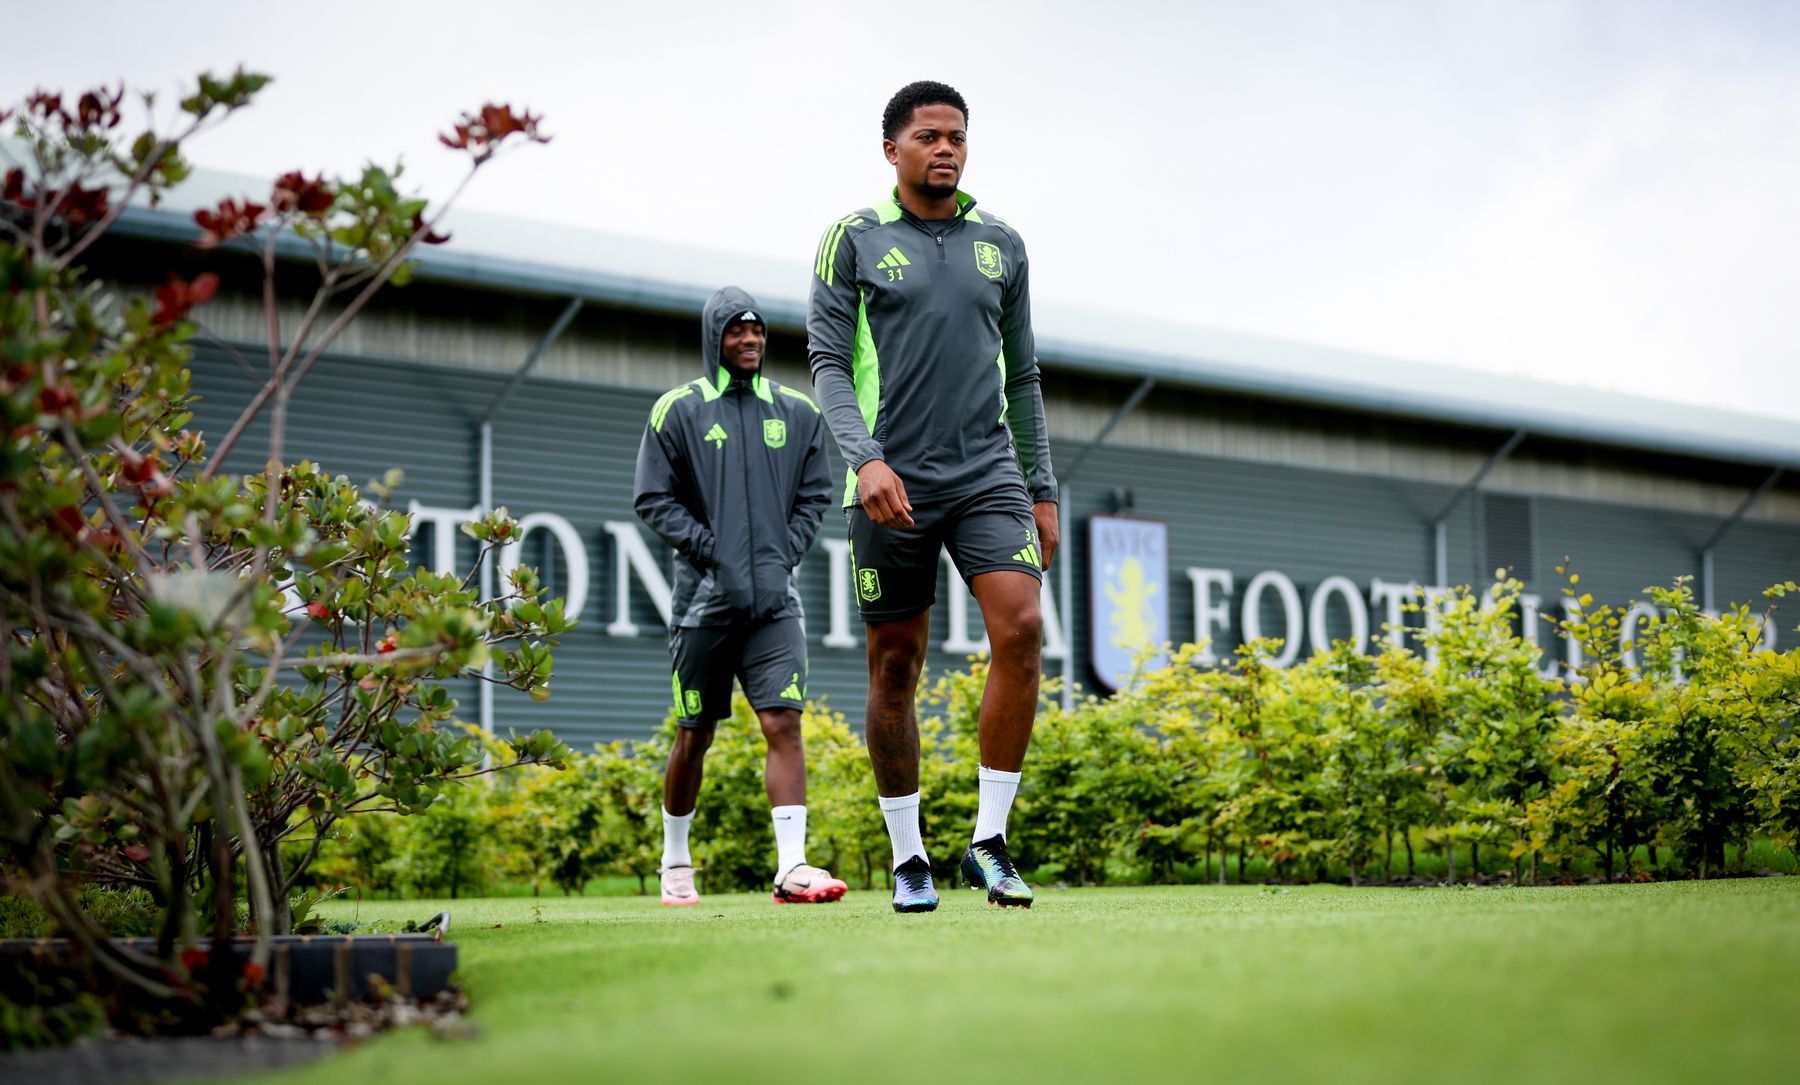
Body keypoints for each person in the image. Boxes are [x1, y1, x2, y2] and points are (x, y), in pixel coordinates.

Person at [806, 81, 1058, 912]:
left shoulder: (1003, 244)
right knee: (895, 665)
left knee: (1021, 626)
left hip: (988, 473)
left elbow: (1021, 376)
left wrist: (1043, 488)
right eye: (928, 136)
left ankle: (990, 841)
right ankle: (910, 854)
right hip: (889, 480)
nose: (945, 148)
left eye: (957, 136)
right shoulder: (853, 238)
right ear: (893, 151)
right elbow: (828, 365)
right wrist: (866, 459)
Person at [633, 286, 845, 906]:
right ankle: (675, 860)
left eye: (756, 332)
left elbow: (814, 497)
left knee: (783, 722)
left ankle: (792, 868)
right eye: (735, 332)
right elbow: (653, 499)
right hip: (703, 605)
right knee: (695, 732)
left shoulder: (798, 412)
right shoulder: (678, 411)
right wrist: (713, 550)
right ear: (714, 340)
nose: (748, 341)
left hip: (776, 604)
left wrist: (782, 553)